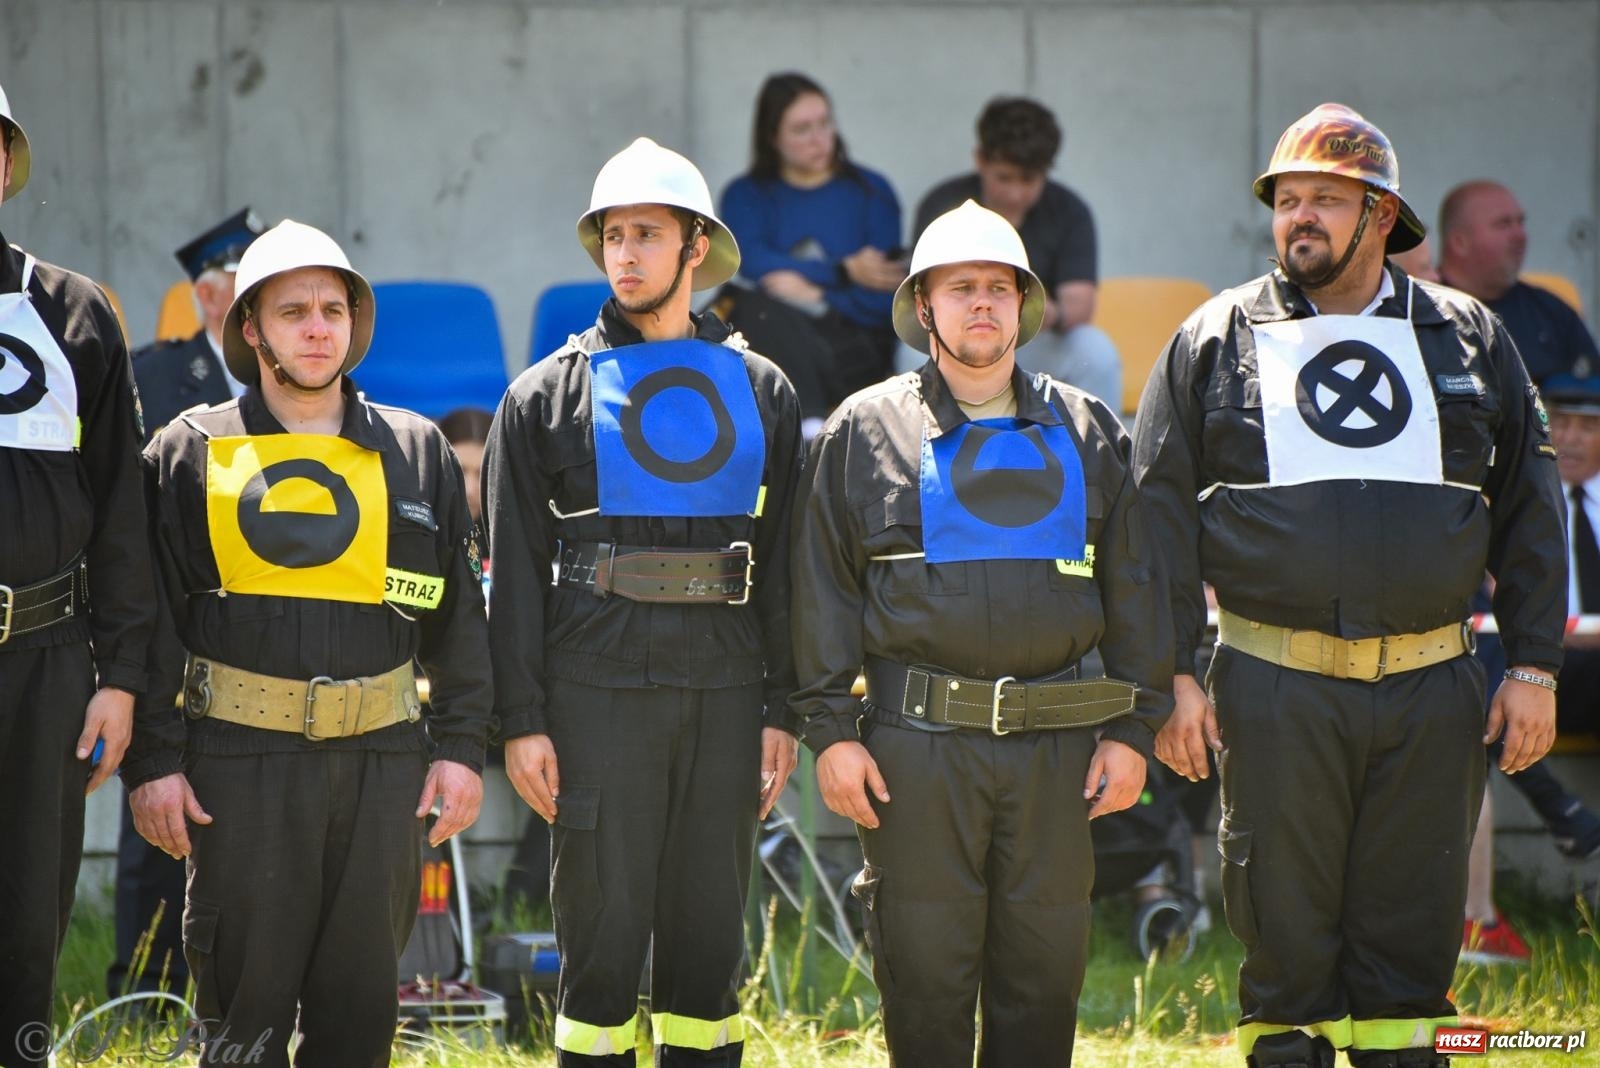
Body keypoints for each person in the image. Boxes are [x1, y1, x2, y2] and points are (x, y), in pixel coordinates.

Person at [1135, 103, 1567, 1068]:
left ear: (1381, 214)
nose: (1299, 219)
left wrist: (1533, 666)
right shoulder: (1214, 336)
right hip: (1271, 686)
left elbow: (1534, 510)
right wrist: (1170, 673)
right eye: (1287, 201)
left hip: (1430, 689)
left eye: (1324, 200)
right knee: (1284, 951)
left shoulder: (1469, 336)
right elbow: (1150, 518)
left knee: (1410, 954)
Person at [791, 198, 1173, 1067]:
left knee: (1043, 987)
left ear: (1025, 306)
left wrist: (1134, 726)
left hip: (1059, 755)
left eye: (999, 288)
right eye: (960, 288)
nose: (982, 306)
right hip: (915, 754)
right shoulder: (864, 429)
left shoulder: (1085, 429)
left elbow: (1138, 588)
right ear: (923, 305)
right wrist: (827, 734)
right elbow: (820, 590)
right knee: (924, 989)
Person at [124, 219, 493, 1067]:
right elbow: (146, 625)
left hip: (383, 770)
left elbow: (455, 622)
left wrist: (464, 749)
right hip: (237, 772)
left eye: (335, 308)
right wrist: (154, 762)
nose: (319, 328)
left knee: (360, 1023)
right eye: (294, 311)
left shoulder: (417, 450)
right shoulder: (187, 451)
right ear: (251, 327)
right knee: (242, 1029)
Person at [484, 136, 804, 1066]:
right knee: (600, 957)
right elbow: (510, 571)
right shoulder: (543, 396)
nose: (624, 254)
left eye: (647, 234)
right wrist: (521, 721)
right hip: (594, 690)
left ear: (695, 246)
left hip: (725, 689)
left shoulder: (764, 390)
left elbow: (787, 564)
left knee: (708, 957)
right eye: (611, 236)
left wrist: (783, 709)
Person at [0, 81, 156, 1068]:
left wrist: (124, 676)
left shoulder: (76, 311)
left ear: (7, 163)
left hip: (45, 663)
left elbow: (123, 512)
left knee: (26, 919)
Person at [108, 207, 266, 1004]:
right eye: (242, 288)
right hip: (173, 606)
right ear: (209, 299)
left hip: (262, 623)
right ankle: (141, 985)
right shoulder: (155, 375)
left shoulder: (307, 382)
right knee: (157, 788)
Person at [719, 72, 906, 418]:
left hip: (854, 344)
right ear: (772, 137)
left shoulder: (871, 191)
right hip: (775, 342)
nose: (819, 139)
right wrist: (842, 270)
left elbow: (886, 296)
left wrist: (818, 298)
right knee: (751, 307)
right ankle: (805, 429)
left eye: (825, 123)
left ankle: (806, 429)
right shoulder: (746, 195)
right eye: (802, 129)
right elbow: (750, 260)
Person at [912, 97, 1121, 406]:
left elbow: (1080, 304)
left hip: (1034, 340)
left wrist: (1047, 312)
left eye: (1028, 180)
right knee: (909, 348)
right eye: (1004, 177)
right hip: (957, 337)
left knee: (1094, 349)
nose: (1015, 193)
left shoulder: (1068, 210)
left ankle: (1095, 451)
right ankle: (923, 447)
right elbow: (921, 293)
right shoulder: (943, 204)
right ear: (980, 160)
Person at [1437, 180, 1600, 383]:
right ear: (1460, 242)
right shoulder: (1421, 308)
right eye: (1503, 224)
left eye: (1520, 222)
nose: (1520, 235)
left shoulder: (1551, 311)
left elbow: (1591, 395)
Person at [131, 208, 265, 435]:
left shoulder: (300, 365)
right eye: (249, 282)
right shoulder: (150, 376)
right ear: (208, 296)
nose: (267, 295)